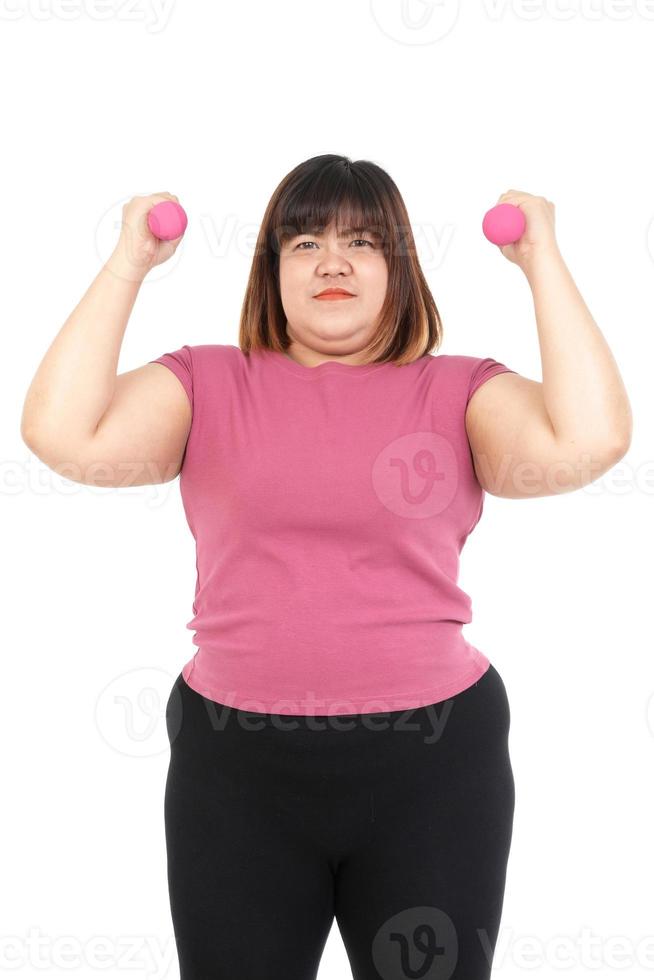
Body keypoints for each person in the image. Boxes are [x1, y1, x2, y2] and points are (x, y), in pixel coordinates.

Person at [21, 154, 632, 980]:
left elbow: (589, 441)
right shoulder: (207, 381)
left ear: (400, 269)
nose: (333, 262)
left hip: (432, 762)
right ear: (271, 272)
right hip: (236, 766)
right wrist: (130, 260)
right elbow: (64, 434)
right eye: (304, 241)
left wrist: (542, 261)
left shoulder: (456, 391)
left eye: (364, 242)